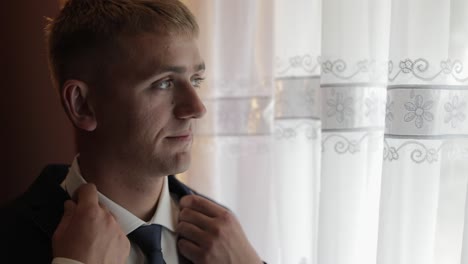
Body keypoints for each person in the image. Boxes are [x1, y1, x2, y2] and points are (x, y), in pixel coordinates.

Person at [0, 0, 265, 263]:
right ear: (82, 105)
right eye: (164, 83)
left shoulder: (227, 240)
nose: (196, 108)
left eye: (196, 80)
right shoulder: (10, 239)